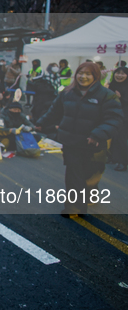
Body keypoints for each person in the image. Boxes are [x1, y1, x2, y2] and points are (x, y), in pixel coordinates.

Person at [36, 62, 123, 217]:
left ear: (96, 76)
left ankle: (90, 192)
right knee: (74, 176)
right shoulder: (67, 93)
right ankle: (74, 208)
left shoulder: (106, 95)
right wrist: (40, 124)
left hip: (95, 145)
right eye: (80, 73)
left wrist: (97, 134)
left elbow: (114, 120)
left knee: (91, 176)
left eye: (88, 74)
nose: (83, 77)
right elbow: (54, 112)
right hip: (71, 143)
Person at [108, 67, 128, 171]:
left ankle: (123, 162)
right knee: (113, 136)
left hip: (125, 116)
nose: (119, 76)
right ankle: (112, 157)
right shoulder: (112, 85)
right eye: (117, 73)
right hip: (113, 114)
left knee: (121, 138)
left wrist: (120, 98)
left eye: (123, 74)